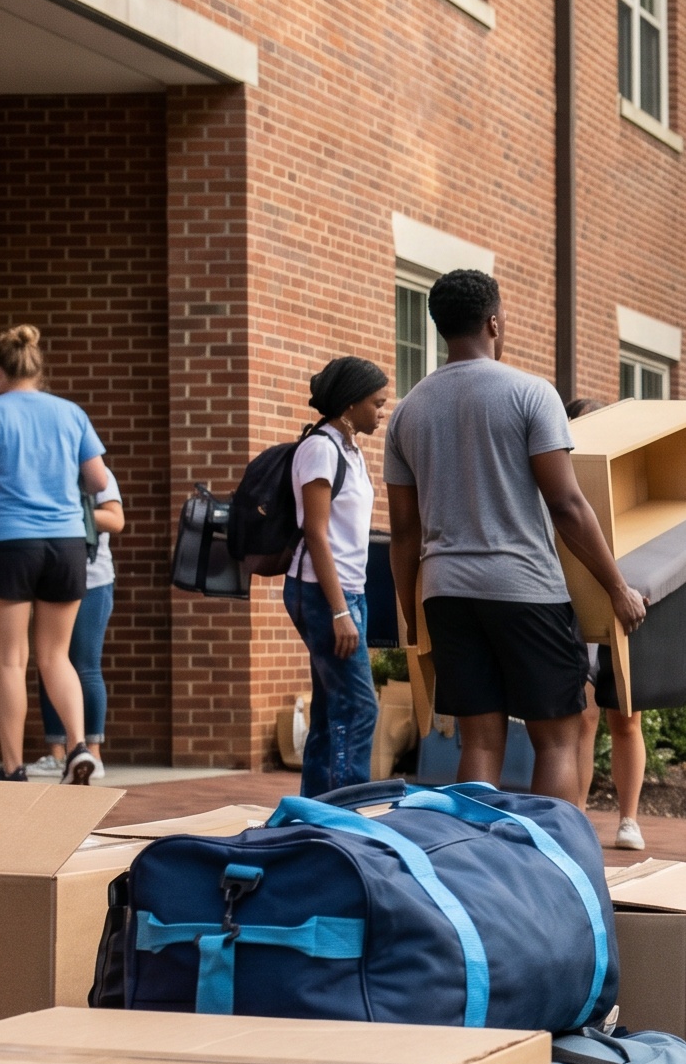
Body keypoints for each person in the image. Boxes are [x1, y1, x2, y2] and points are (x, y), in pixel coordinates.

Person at [384, 271, 647, 802]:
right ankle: (556, 867)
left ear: (439, 328)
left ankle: (476, 864)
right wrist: (617, 587)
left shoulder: (408, 410)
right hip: (524, 589)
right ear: (494, 322)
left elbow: (404, 532)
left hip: (447, 592)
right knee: (556, 738)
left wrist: (414, 617)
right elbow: (568, 506)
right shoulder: (531, 393)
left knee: (478, 739)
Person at [0, 325, 112, 784]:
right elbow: (99, 481)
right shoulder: (70, 413)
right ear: (38, 370)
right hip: (65, 545)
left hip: (9, 543)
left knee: (10, 661)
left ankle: (13, 767)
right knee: (56, 656)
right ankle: (80, 748)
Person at [268, 357, 391, 797]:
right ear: (350, 403)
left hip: (346, 593)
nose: (382, 410)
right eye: (376, 403)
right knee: (359, 709)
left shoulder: (349, 448)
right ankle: (344, 814)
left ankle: (315, 812)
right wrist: (340, 611)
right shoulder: (320, 448)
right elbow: (316, 535)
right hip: (322, 594)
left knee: (330, 710)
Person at [560, 396, 649, 849]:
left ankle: (628, 819)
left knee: (626, 717)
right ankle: (575, 814)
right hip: (575, 602)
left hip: (624, 600)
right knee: (583, 716)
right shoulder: (554, 472)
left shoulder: (627, 473)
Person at [32, 467, 124, 779]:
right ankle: (57, 754)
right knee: (50, 662)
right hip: (49, 577)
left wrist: (69, 512)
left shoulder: (96, 472)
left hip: (93, 581)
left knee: (85, 665)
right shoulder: (39, 471)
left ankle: (92, 754)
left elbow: (115, 519)